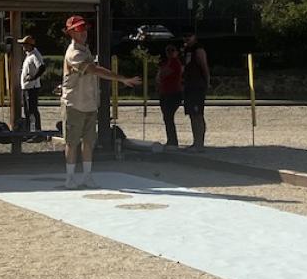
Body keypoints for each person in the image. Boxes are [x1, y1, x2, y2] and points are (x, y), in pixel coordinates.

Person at [60, 15, 140, 189]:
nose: (83, 32)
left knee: (89, 142)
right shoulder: (74, 53)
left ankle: (87, 176)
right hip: (74, 103)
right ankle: (70, 178)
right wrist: (121, 78)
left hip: (89, 103)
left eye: (84, 28)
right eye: (78, 29)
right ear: (71, 33)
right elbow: (94, 70)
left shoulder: (85, 49)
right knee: (72, 143)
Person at [182, 31, 210, 152]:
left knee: (198, 115)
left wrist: (207, 81)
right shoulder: (186, 50)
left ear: (194, 37)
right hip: (188, 86)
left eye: (189, 36)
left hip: (197, 86)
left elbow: (204, 66)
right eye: (185, 36)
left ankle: (200, 144)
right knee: (192, 115)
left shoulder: (198, 50)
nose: (187, 38)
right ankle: (195, 142)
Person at [158, 44, 184, 148]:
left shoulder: (175, 62)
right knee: (167, 117)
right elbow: (159, 75)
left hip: (173, 93)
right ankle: (171, 139)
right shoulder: (167, 62)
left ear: (176, 52)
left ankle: (173, 140)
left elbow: (163, 74)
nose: (169, 53)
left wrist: (161, 73)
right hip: (165, 92)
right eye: (168, 51)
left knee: (168, 116)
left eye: (172, 50)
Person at [18, 36, 46, 131]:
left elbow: (42, 67)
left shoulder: (35, 55)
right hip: (27, 87)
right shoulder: (29, 55)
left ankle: (36, 131)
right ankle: (29, 131)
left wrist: (33, 78)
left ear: (30, 45)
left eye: (24, 44)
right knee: (28, 111)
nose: (23, 46)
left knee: (32, 111)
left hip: (32, 88)